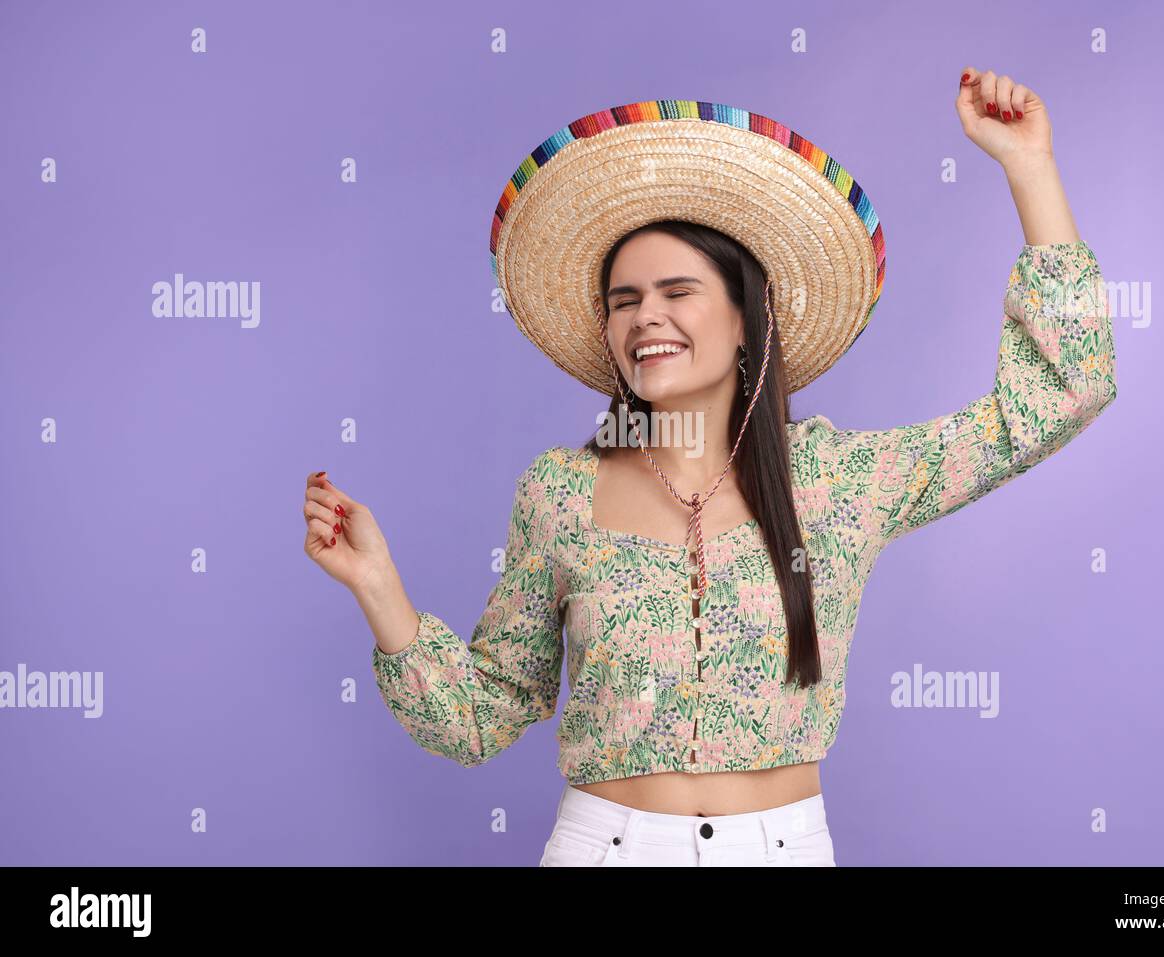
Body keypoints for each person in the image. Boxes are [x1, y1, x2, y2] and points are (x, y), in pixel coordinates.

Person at [302, 72, 1117, 867]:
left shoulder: (837, 480)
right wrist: (380, 590)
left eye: (676, 290)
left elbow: (1060, 395)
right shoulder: (559, 492)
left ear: (743, 322)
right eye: (623, 299)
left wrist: (1029, 167)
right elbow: (481, 716)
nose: (644, 315)